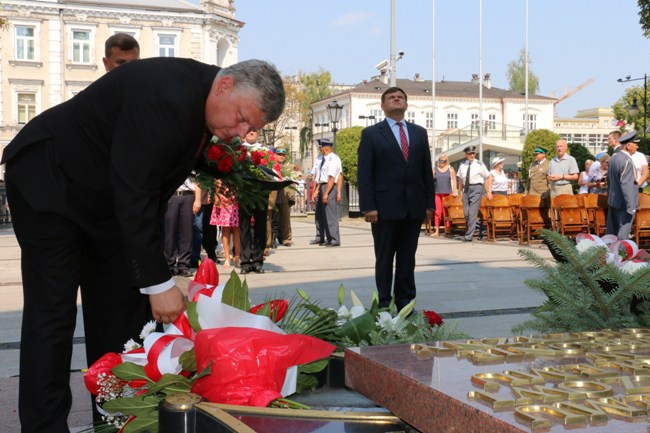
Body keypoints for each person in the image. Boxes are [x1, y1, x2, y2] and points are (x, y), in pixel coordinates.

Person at [1, 57, 285, 433]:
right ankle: (44, 426)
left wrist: (149, 281)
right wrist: (159, 282)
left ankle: (119, 419)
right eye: (242, 118)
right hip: (51, 182)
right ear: (225, 86)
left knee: (122, 311)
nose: (241, 132)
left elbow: (144, 191)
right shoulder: (168, 96)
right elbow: (135, 190)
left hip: (102, 202)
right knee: (53, 310)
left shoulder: (202, 101)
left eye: (253, 127)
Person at [357, 86, 435, 312]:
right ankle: (383, 303)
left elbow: (424, 170)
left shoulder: (419, 132)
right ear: (383, 106)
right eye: (391, 97)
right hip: (383, 208)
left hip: (413, 207)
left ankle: (405, 303)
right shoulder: (371, 134)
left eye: (401, 96)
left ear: (406, 104)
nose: (396, 99)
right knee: (384, 258)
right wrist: (368, 206)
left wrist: (428, 204)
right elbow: (365, 173)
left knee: (407, 258)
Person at [239, 130, 269, 274]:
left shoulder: (265, 151)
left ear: (258, 134)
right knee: (244, 227)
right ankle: (245, 261)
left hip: (261, 193)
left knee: (260, 227)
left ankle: (257, 261)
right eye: (249, 130)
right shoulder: (238, 150)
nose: (251, 133)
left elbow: (270, 171)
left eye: (254, 130)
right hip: (244, 192)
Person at [606, 130, 639, 240]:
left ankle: (610, 255)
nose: (637, 146)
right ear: (628, 145)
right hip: (624, 204)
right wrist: (631, 207)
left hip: (614, 201)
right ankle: (620, 255)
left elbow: (609, 181)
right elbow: (627, 186)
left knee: (612, 233)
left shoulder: (614, 158)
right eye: (635, 144)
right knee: (623, 233)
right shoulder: (626, 161)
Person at [164, 178, 200, 277]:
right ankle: (169, 263)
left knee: (187, 232)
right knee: (169, 231)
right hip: (172, 195)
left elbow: (198, 180)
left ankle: (183, 265)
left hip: (188, 195)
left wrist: (198, 200)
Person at [456, 145, 489, 242]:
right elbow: (461, 180)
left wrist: (488, 191)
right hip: (466, 189)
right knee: (466, 213)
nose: (472, 155)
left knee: (472, 213)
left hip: (477, 188)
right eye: (470, 153)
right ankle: (478, 227)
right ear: (466, 155)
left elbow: (488, 176)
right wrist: (460, 192)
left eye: (473, 153)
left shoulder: (480, 164)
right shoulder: (462, 165)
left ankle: (469, 235)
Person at [315, 138, 342, 247]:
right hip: (323, 186)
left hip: (329, 187)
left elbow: (332, 178)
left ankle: (334, 239)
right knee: (324, 214)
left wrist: (326, 193)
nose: (320, 149)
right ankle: (329, 238)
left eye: (320, 147)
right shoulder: (325, 159)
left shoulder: (333, 159)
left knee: (330, 214)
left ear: (324, 148)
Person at [211, 183, 240, 268]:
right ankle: (227, 257)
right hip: (223, 199)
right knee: (225, 229)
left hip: (236, 199)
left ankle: (237, 256)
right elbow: (216, 181)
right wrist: (216, 196)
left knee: (236, 229)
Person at [432, 154, 457, 237]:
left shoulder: (450, 169)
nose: (442, 162)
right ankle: (437, 231)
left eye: (444, 161)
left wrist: (455, 191)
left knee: (447, 212)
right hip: (437, 193)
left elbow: (454, 180)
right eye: (440, 160)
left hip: (448, 193)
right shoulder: (435, 169)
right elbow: (430, 181)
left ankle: (448, 229)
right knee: (437, 212)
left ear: (447, 161)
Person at [273, 147, 294, 246]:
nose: (281, 156)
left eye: (283, 155)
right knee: (273, 218)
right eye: (279, 154)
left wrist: (292, 196)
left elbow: (292, 182)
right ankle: (272, 239)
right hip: (274, 194)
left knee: (285, 218)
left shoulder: (288, 168)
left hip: (285, 194)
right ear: (275, 155)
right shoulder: (271, 166)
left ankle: (286, 239)